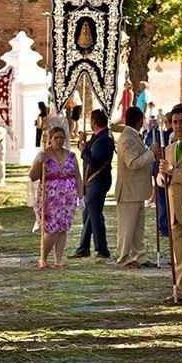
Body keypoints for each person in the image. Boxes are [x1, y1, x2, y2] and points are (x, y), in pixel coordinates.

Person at [29, 126, 83, 268]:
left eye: (61, 138)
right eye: (56, 138)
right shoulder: (44, 155)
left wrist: (81, 195)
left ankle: (59, 259)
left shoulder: (71, 155)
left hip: (68, 197)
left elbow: (77, 176)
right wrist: (38, 162)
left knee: (63, 228)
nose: (59, 141)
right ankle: (43, 258)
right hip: (50, 197)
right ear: (50, 139)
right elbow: (33, 176)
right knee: (51, 229)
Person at [158, 105, 182, 303]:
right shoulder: (169, 149)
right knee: (178, 252)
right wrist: (162, 176)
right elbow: (160, 179)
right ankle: (181, 291)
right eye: (174, 122)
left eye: (181, 122)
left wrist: (173, 172)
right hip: (173, 207)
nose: (178, 126)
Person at [115, 107, 156, 267]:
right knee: (127, 228)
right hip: (128, 191)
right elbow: (132, 163)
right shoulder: (127, 138)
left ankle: (139, 256)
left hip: (137, 190)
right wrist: (151, 154)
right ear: (139, 120)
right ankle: (124, 257)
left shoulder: (133, 136)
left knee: (137, 228)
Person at [71, 109, 115, 259]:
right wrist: (82, 142)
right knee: (88, 215)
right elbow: (87, 148)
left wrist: (83, 150)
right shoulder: (98, 136)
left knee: (95, 216)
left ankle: (102, 249)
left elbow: (94, 161)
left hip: (97, 180)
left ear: (94, 122)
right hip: (93, 181)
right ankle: (83, 247)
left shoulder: (104, 139)